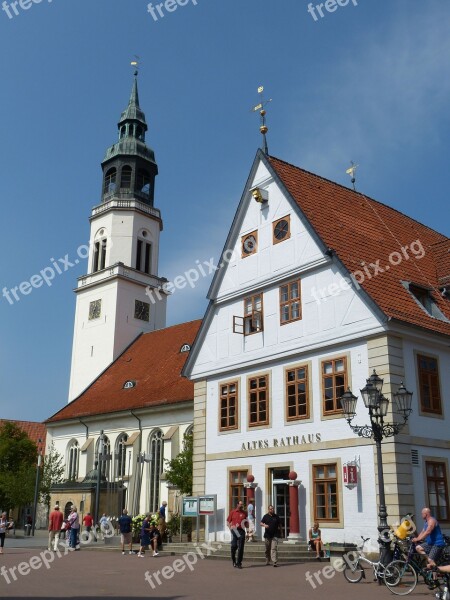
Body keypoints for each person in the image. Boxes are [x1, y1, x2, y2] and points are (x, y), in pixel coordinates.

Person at [226, 500, 248, 569]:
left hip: (241, 531)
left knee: (241, 547)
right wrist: (230, 529)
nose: (241, 506)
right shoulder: (233, 512)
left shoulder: (245, 513)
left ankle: (239, 563)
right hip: (234, 531)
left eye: (242, 504)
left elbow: (246, 524)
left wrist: (248, 531)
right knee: (233, 546)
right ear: (237, 504)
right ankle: (233, 560)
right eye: (240, 504)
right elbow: (228, 521)